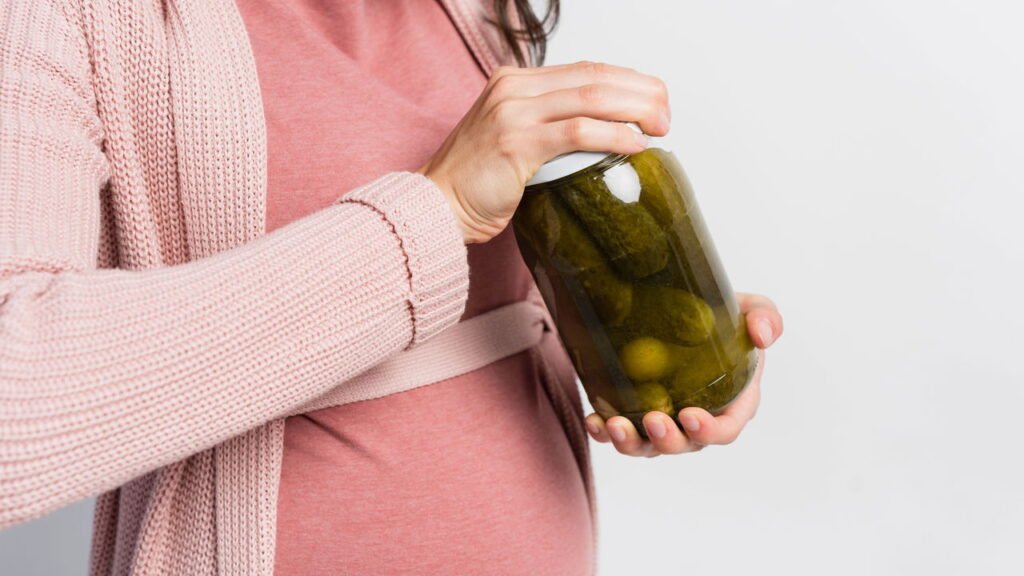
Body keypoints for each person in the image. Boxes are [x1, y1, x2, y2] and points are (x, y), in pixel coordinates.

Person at [0, 0, 783, 574]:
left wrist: (663, 336)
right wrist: (433, 214)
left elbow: (493, 312)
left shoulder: (478, 9)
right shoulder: (66, 17)